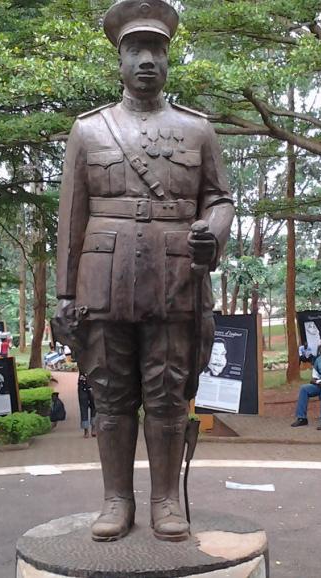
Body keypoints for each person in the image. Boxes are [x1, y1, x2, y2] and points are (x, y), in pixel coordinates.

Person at [52, 0, 235, 544]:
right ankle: (116, 499)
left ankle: (163, 501)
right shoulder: (87, 131)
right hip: (102, 280)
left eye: (156, 49)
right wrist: (64, 294)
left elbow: (221, 199)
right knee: (109, 392)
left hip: (175, 275)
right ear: (120, 60)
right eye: (136, 50)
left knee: (166, 391)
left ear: (168, 59)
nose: (147, 60)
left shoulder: (197, 130)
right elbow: (72, 217)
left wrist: (213, 233)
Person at [79, 372, 97, 438]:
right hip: (82, 385)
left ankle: (94, 428)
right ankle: (86, 430)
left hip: (94, 383)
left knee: (94, 406)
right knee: (83, 407)